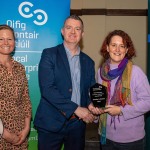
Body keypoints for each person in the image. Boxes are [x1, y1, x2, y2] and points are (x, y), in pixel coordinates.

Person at [34, 15, 96, 150]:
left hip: (77, 125)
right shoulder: (49, 54)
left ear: (82, 33)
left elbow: (90, 91)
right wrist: (76, 109)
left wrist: (92, 105)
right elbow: (47, 89)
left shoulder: (89, 62)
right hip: (51, 123)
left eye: (77, 29)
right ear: (62, 31)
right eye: (69, 28)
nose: (73, 32)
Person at [91, 30, 150, 150]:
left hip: (131, 140)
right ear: (107, 48)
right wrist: (94, 108)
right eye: (113, 45)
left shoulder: (135, 72)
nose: (117, 49)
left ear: (127, 50)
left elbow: (148, 102)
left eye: (122, 46)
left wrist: (121, 110)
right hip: (105, 136)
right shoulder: (100, 72)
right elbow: (99, 98)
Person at [0, 24, 32, 149]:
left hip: (20, 133)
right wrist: (5, 133)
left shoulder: (20, 68)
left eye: (10, 39)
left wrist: (27, 127)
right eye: (1, 39)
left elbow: (26, 99)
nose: (6, 42)